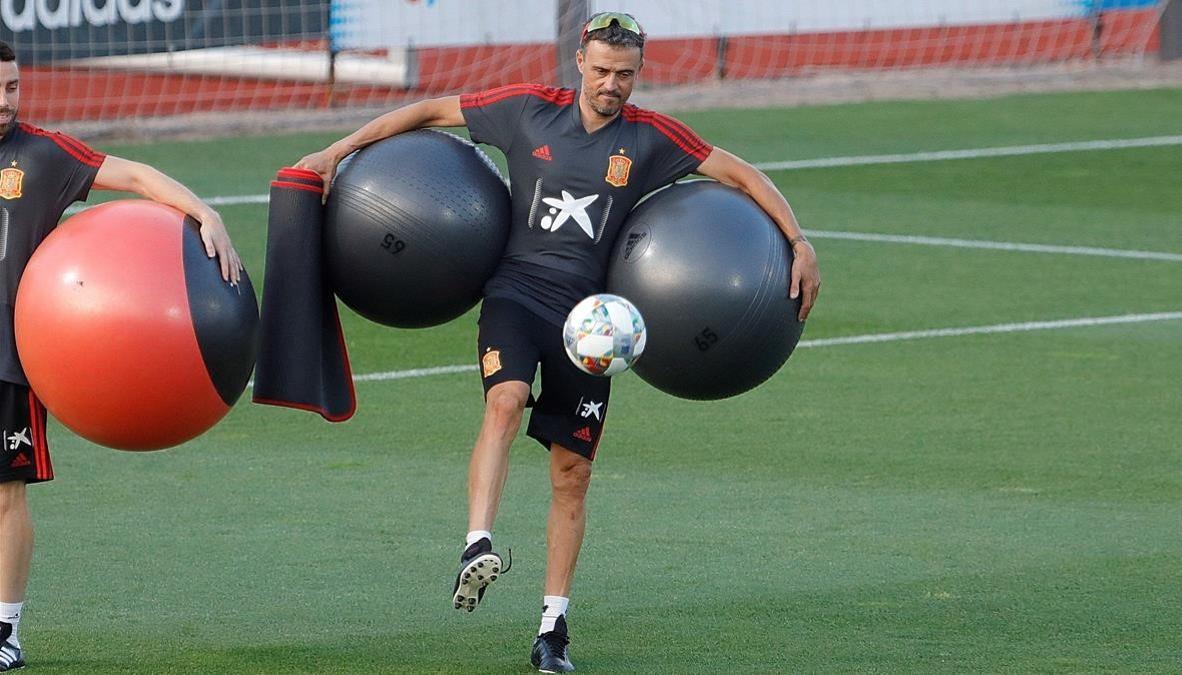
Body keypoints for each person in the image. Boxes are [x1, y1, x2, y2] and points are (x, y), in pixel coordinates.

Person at [297, 11, 820, 672]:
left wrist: (797, 242)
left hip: (593, 328)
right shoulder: (526, 111)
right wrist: (337, 152)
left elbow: (741, 174)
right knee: (505, 400)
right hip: (515, 295)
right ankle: (476, 543)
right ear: (579, 61)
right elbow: (430, 110)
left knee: (572, 475)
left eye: (625, 75)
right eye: (602, 71)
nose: (613, 85)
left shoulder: (650, 137)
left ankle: (553, 630)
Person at [0, 40, 242, 672]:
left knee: (4, 496)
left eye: (13, 88)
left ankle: (5, 632)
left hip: (10, 352)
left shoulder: (43, 154)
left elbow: (131, 176)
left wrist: (203, 210)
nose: (6, 101)